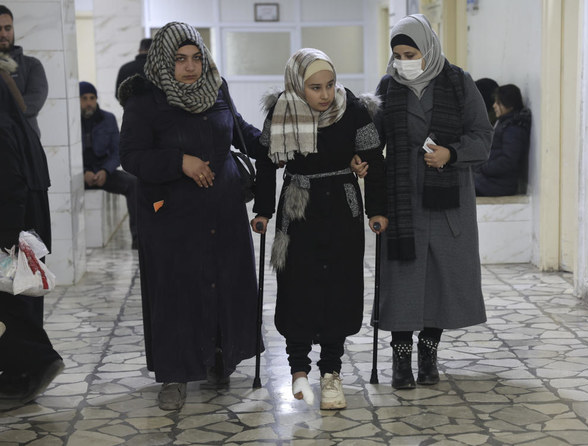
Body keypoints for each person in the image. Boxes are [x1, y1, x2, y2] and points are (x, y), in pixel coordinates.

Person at [118, 22, 268, 411]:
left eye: (196, 58)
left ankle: (220, 358)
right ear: (165, 60)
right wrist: (178, 161)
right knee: (176, 291)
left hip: (223, 207)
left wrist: (275, 143)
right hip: (171, 215)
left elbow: (239, 131)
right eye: (181, 59)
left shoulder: (216, 88)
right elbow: (131, 157)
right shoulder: (144, 99)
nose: (190, 67)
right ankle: (174, 374)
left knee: (224, 282)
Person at [352, 14, 493, 390]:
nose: (404, 61)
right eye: (398, 54)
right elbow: (372, 138)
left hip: (448, 198)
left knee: (442, 277)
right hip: (403, 196)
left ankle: (429, 351)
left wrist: (451, 152)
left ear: (427, 49)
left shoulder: (458, 82)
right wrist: (360, 158)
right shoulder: (388, 85)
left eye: (410, 52)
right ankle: (401, 359)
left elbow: (483, 136)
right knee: (402, 278)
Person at [251, 48, 387, 410]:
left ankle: (331, 374)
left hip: (343, 207)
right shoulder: (281, 110)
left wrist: (378, 209)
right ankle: (298, 368)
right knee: (297, 284)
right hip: (298, 208)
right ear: (298, 85)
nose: (325, 94)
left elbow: (374, 159)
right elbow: (265, 163)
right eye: (315, 87)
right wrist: (262, 209)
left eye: (329, 85)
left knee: (339, 287)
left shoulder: (353, 108)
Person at [0, 57, 64, 407]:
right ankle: (23, 370)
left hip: (11, 227)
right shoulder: (13, 125)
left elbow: (12, 185)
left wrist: (7, 239)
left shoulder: (2, 129)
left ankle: (37, 363)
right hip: (18, 225)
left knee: (10, 307)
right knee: (14, 304)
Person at [80, 81, 139, 248]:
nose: (89, 103)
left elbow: (117, 151)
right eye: (84, 98)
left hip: (103, 172)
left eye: (92, 98)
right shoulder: (71, 122)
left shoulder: (108, 119)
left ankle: (138, 239)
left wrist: (105, 170)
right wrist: (83, 172)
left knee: (134, 184)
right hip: (79, 174)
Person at [474, 84, 532, 196]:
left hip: (499, 185)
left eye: (498, 103)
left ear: (509, 105)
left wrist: (483, 167)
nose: (494, 106)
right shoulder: (504, 122)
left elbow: (508, 161)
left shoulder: (514, 129)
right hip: (491, 180)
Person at [0, 5, 48, 138]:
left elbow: (33, 103)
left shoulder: (32, 65)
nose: (3, 34)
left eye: (7, 28)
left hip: (26, 146)